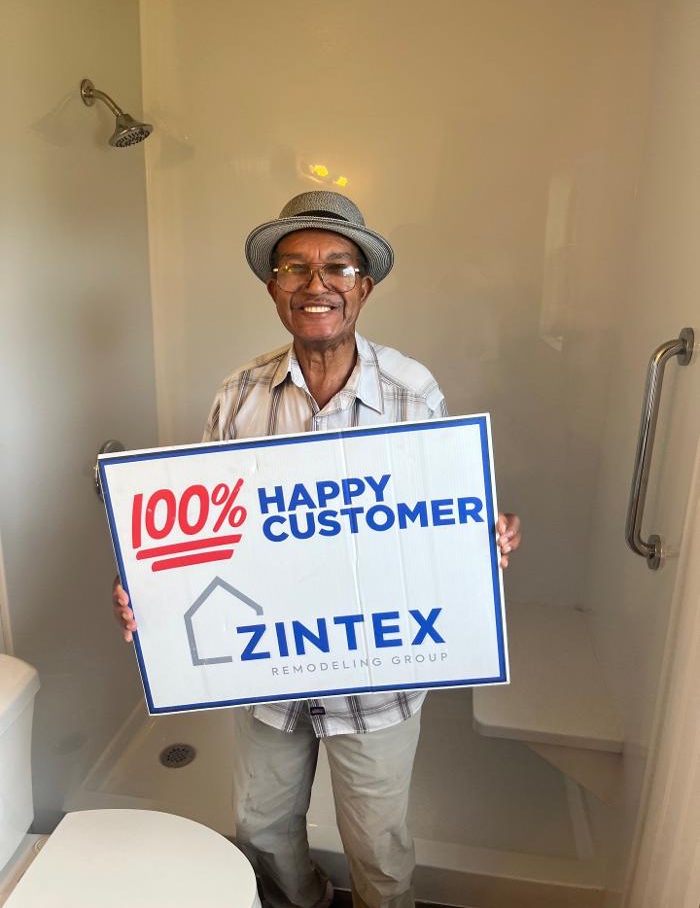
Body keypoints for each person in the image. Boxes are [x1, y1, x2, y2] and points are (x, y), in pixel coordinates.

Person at [112, 191, 522, 908]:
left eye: (338, 266)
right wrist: (150, 589)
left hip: (379, 676)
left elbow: (440, 517)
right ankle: (304, 901)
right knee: (262, 828)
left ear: (364, 286)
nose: (316, 284)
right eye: (294, 267)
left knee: (380, 849)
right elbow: (201, 535)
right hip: (267, 674)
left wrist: (480, 537)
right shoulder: (238, 396)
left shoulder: (412, 391)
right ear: (273, 287)